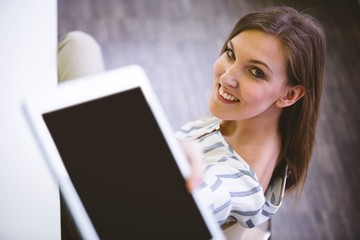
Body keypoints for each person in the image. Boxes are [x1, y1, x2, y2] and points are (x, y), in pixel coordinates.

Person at [58, 5, 326, 237]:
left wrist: (165, 156)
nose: (226, 77)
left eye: (256, 72)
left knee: (77, 46)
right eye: (231, 54)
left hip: (102, 214)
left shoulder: (225, 182)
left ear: (290, 94)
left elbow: (142, 219)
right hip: (123, 187)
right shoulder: (264, 129)